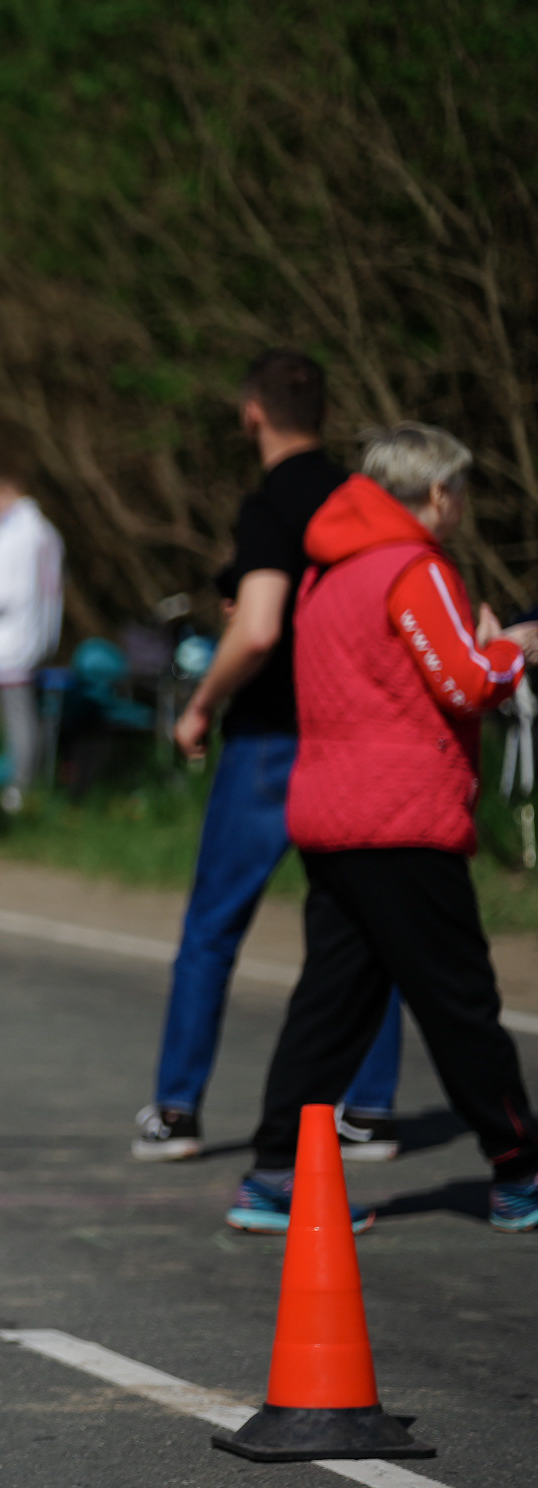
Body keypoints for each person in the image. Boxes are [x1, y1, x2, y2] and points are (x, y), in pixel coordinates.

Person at [233, 422, 538, 1235]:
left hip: (331, 813)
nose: (464, 507)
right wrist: (516, 650)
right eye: (462, 492)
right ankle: (521, 1167)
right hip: (402, 818)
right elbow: (469, 683)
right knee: (459, 999)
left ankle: (272, 1174)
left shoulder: (323, 575)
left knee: (333, 1002)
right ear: (439, 494)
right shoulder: (416, 567)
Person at [140, 353, 402, 1162]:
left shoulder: (269, 504)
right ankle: (366, 1112)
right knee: (365, 926)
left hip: (269, 742)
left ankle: (178, 1110)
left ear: (253, 413)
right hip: (352, 736)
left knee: (214, 929)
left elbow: (257, 627)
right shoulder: (362, 502)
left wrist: (201, 702)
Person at [0, 468, 63, 812]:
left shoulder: (11, 533)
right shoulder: (45, 531)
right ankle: (25, 784)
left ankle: (20, 790)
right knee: (29, 718)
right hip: (36, 636)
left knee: (19, 720)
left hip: (11, 639)